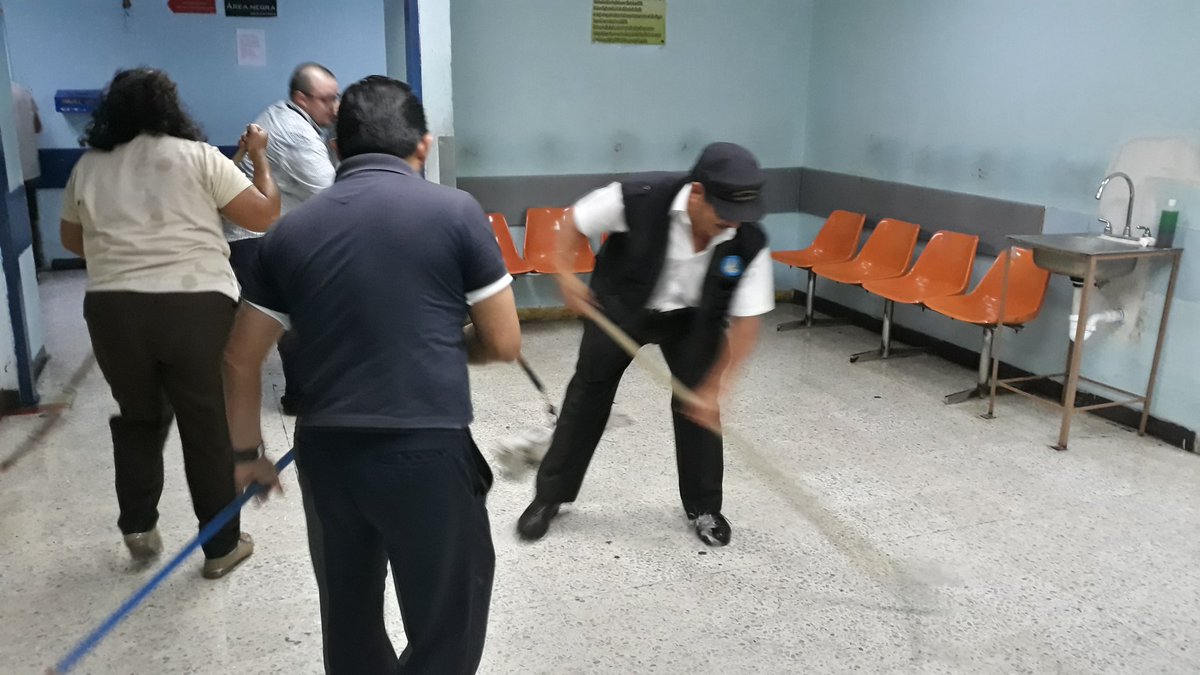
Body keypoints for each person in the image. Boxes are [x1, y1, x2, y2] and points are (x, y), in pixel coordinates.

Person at [224, 75, 519, 674]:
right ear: (424, 145)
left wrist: (247, 454)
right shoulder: (457, 213)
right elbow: (503, 341)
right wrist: (441, 344)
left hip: (328, 454)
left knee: (349, 611)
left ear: (336, 149)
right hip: (426, 449)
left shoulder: (290, 232)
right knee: (447, 613)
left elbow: (238, 358)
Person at [58, 68, 280, 578]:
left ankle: (138, 527)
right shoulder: (199, 157)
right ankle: (221, 547)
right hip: (195, 307)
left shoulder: (88, 166)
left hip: (114, 310)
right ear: (171, 109)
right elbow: (263, 215)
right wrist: (260, 158)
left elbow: (73, 242)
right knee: (205, 425)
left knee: (138, 418)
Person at [516, 142, 775, 547]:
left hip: (694, 321)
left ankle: (704, 507)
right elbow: (573, 222)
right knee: (587, 397)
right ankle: (550, 496)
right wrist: (565, 276)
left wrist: (715, 389)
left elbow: (747, 321)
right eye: (724, 216)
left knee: (700, 410)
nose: (732, 226)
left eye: (740, 218)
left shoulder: (748, 240)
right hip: (620, 308)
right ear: (697, 193)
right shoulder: (638, 198)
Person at [225, 62, 340, 415]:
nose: (335, 107)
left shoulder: (287, 117)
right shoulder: (295, 133)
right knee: (292, 311)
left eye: (336, 97)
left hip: (262, 231)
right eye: (326, 99)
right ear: (301, 98)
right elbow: (332, 194)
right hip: (255, 236)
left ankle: (305, 390)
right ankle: (301, 396)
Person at [11, 83, 43, 269]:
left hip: (6, 173)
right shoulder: (22, 91)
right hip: (29, 169)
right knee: (30, 221)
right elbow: (37, 127)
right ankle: (35, 266)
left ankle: (16, 271)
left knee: (8, 226)